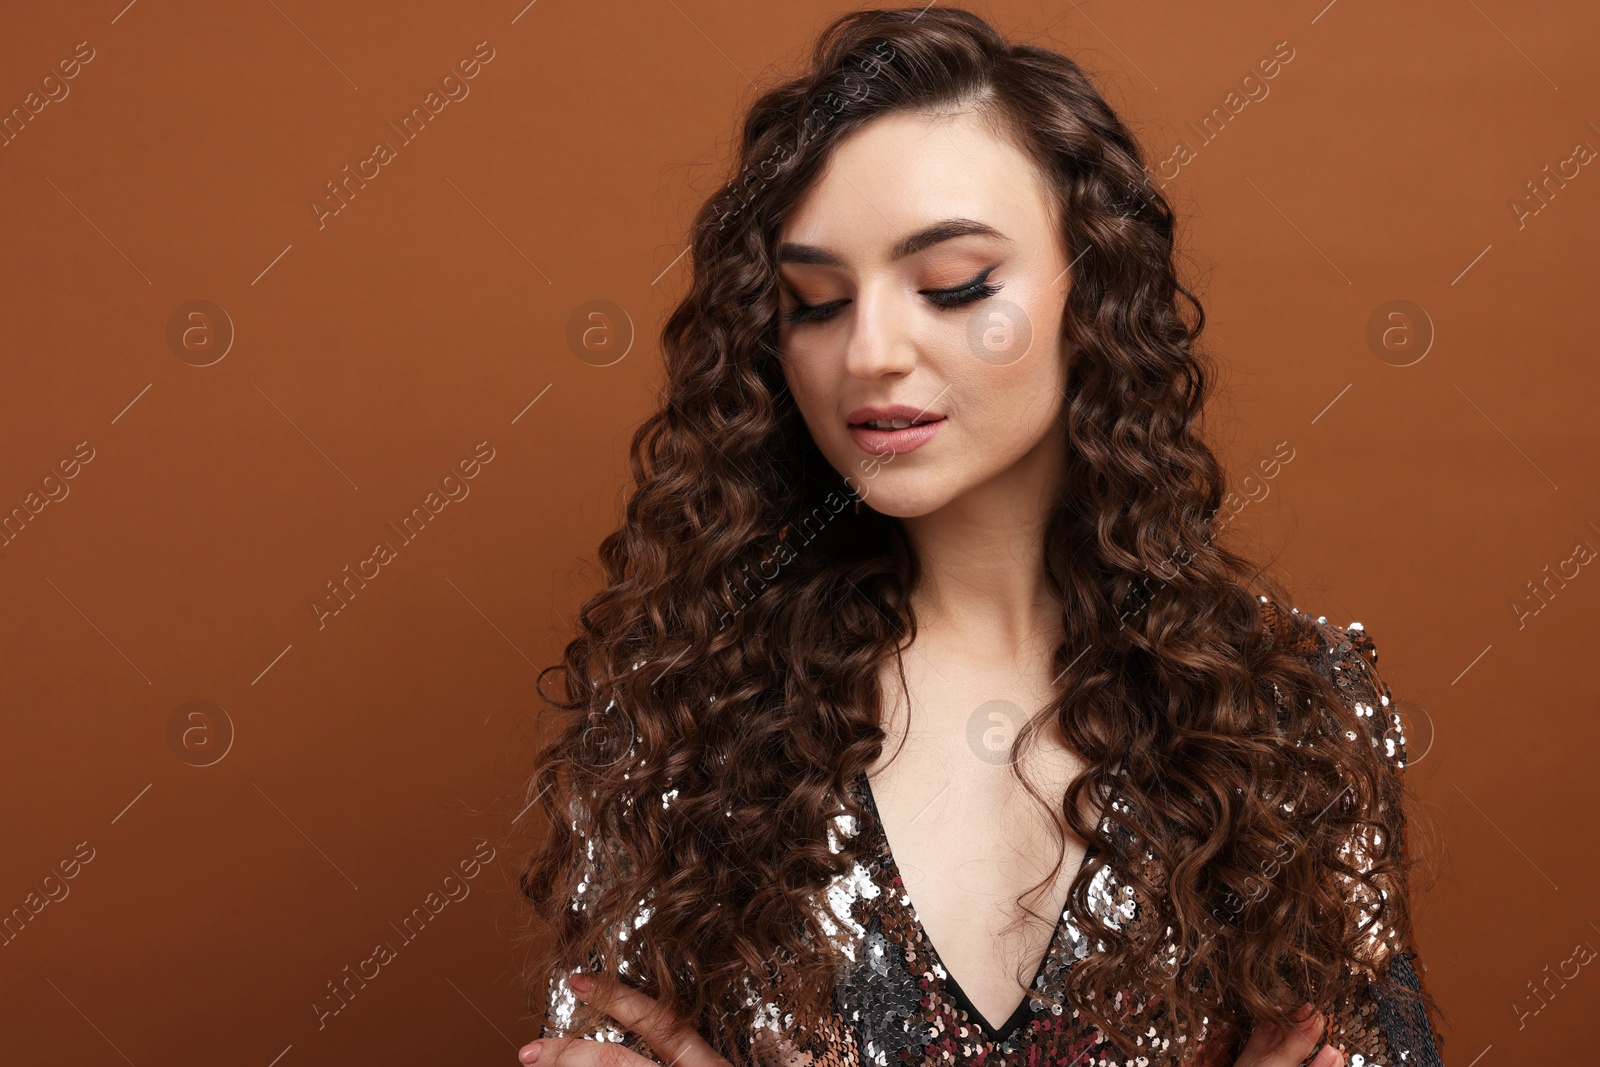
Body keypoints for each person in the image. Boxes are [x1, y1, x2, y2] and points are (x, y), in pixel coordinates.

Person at [514, 8, 1445, 1066]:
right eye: (814, 302)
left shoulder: (1292, 712)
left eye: (953, 284)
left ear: (1089, 289)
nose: (868, 351)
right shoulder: (676, 712)